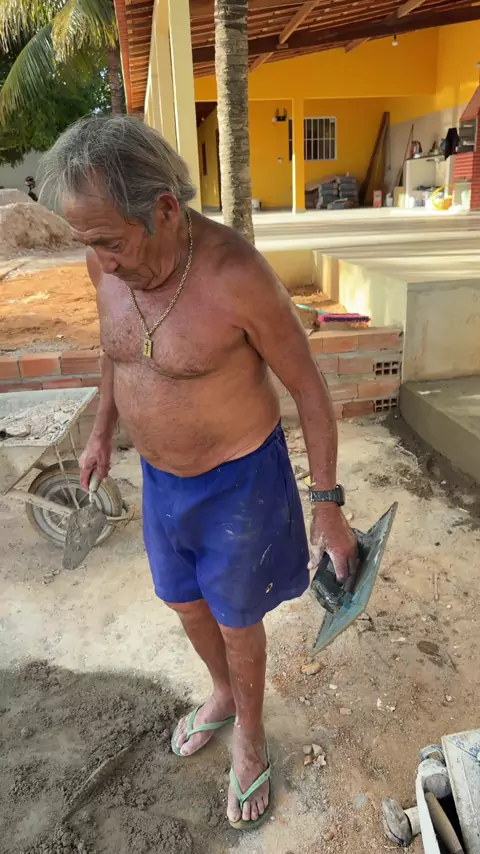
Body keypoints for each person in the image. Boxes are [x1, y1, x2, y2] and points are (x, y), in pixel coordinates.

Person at [39, 116, 357, 830]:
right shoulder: (104, 263)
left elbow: (309, 389)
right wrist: (101, 432)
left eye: (109, 241)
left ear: (164, 209)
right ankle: (222, 693)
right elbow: (116, 351)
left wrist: (327, 503)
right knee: (184, 603)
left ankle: (251, 734)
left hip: (240, 483)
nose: (101, 262)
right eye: (88, 243)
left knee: (239, 621)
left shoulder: (236, 276)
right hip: (161, 483)